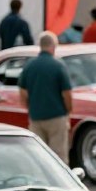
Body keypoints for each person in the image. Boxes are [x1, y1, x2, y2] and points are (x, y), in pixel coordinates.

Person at [17, 31, 72, 163]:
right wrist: (68, 111)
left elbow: (23, 92)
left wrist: (29, 108)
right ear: (53, 46)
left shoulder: (29, 66)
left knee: (39, 156)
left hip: (36, 117)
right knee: (59, 156)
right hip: (56, 116)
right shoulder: (58, 66)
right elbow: (67, 94)